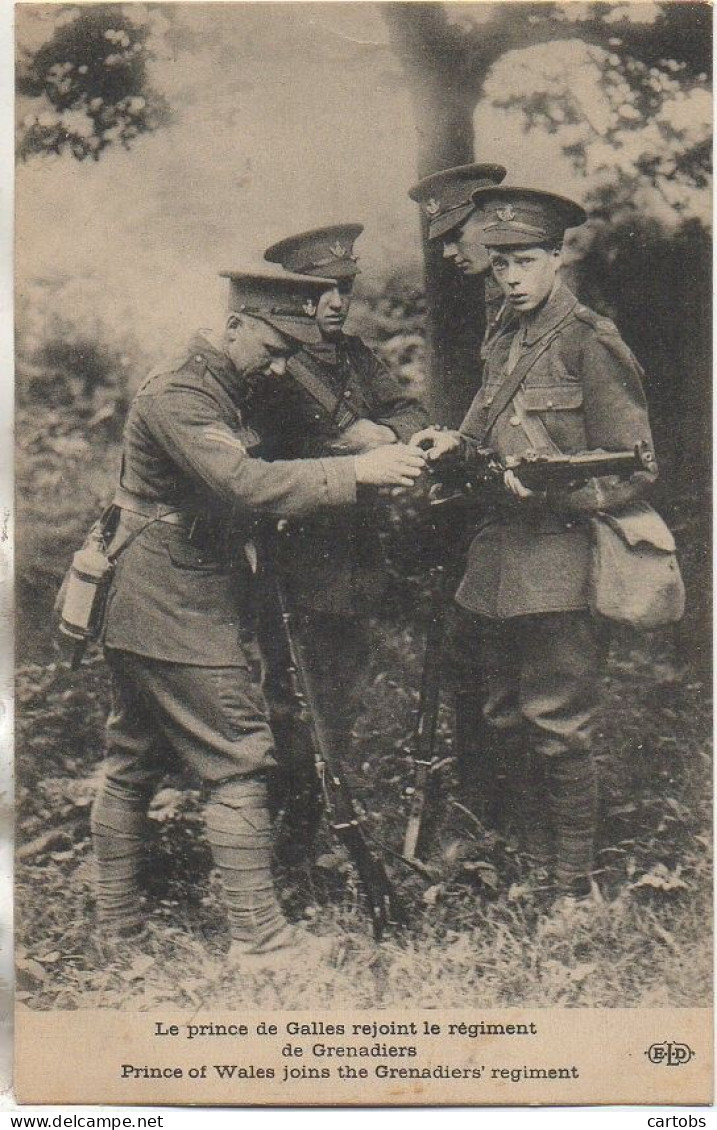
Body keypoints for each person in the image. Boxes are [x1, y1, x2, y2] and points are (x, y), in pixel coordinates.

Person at [89, 268, 427, 965]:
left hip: (156, 594)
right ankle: (261, 943)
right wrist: (358, 474)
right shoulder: (180, 394)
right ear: (235, 323)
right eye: (272, 348)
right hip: (168, 598)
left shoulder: (231, 382)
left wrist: (370, 442)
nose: (279, 366)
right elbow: (243, 482)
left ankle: (115, 932)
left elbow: (290, 443)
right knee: (238, 759)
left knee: (135, 758)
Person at [412, 187, 657, 906]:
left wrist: (547, 493)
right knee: (502, 715)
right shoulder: (505, 336)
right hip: (499, 561)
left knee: (557, 721)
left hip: (561, 557)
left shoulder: (590, 340)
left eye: (523, 262)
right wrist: (452, 444)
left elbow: (637, 466)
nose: (510, 277)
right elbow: (488, 429)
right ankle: (531, 857)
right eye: (498, 265)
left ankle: (570, 886)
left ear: (557, 258)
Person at [257, 225, 429, 848]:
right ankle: (297, 826)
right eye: (319, 291)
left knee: (342, 683)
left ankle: (335, 807)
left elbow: (411, 413)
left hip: (355, 548)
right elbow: (258, 462)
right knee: (290, 693)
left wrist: (381, 435)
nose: (334, 302)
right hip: (293, 550)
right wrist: (342, 447)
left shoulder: (355, 355)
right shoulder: (271, 364)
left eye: (343, 288)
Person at [407, 163, 509, 349]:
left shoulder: (532, 298)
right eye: (444, 241)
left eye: (455, 235)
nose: (448, 252)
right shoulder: (497, 296)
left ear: (492, 219)